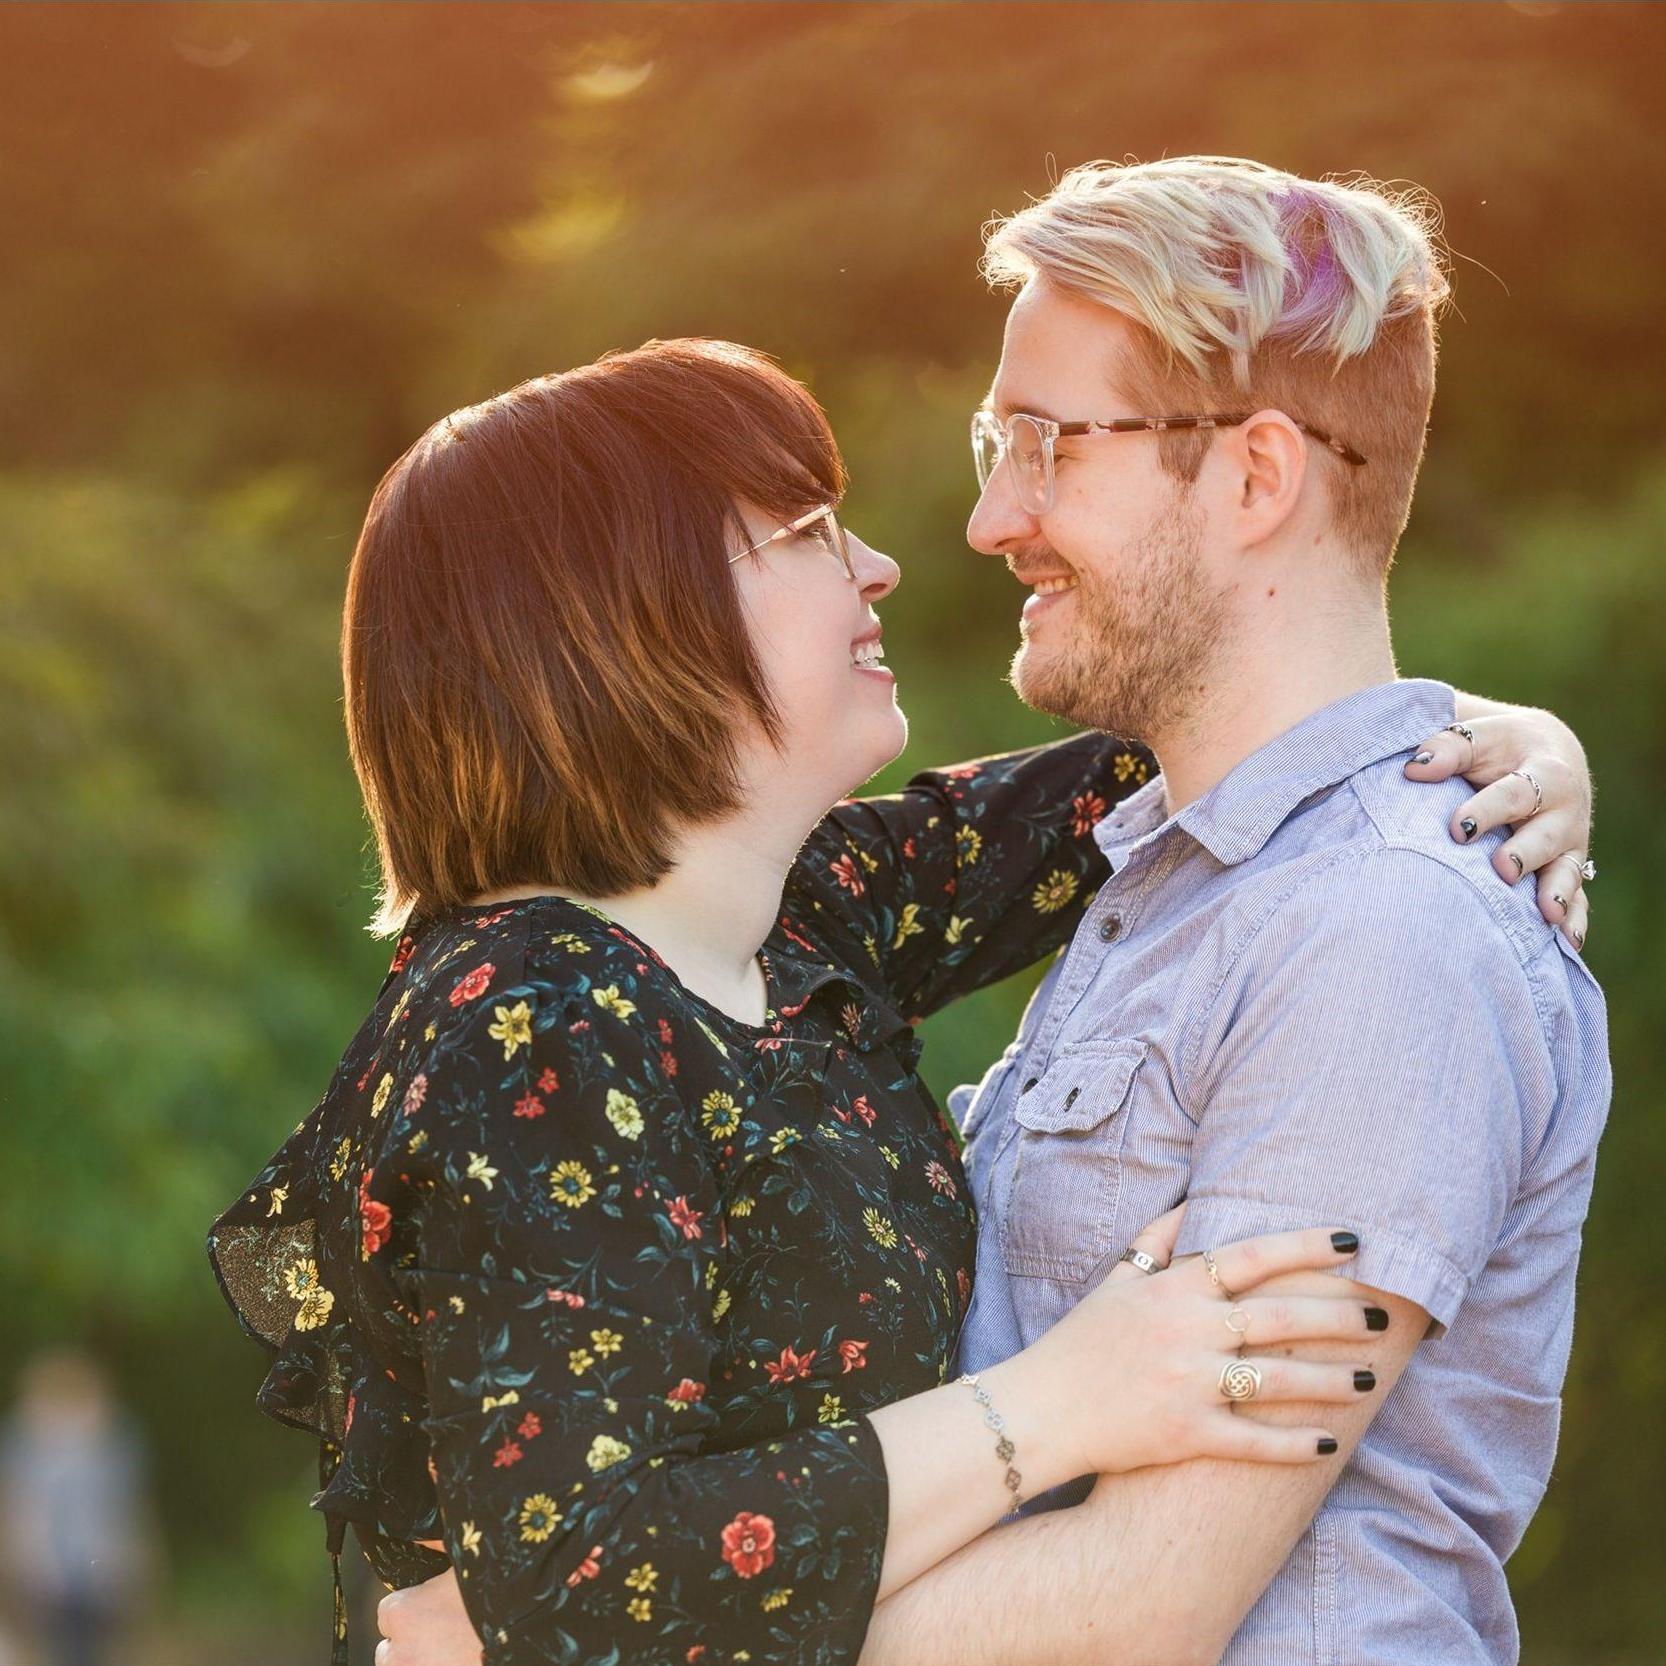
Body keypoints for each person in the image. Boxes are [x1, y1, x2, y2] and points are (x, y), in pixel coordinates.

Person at [209, 322, 1592, 1666]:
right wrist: (1053, 1404)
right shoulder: (532, 1028)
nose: (876, 566)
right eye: (808, 533)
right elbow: (581, 1580)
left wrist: (1510, 741)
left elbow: (1242, 723)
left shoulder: (805, 915)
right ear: (623, 614)